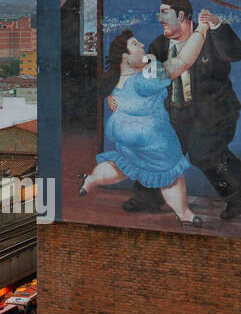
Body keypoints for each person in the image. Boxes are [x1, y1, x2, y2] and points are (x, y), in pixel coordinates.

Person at [115, 0, 241, 222]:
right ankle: (148, 198)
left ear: (181, 16)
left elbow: (235, 54)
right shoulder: (159, 45)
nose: (160, 19)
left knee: (203, 152)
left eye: (164, 13)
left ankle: (240, 197)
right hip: (176, 113)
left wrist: (218, 26)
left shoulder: (210, 37)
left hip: (213, 112)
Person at [77, 19, 212, 227]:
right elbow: (183, 61)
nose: (141, 45)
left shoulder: (115, 80)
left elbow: (119, 94)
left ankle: (91, 180)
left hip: (121, 133)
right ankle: (183, 213)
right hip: (150, 136)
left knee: (123, 164)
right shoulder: (145, 78)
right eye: (135, 45)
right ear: (125, 58)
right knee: (170, 172)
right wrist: (202, 28)